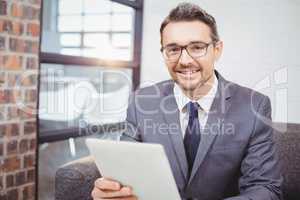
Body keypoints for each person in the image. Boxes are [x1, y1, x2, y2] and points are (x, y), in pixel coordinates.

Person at [91, 2, 282, 200]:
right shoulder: (142, 101)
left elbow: (266, 189)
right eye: (173, 49)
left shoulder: (254, 107)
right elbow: (124, 169)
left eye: (197, 47)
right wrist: (111, 190)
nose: (185, 60)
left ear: (217, 50)